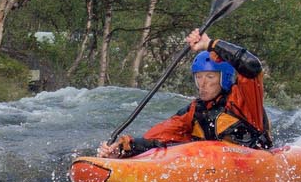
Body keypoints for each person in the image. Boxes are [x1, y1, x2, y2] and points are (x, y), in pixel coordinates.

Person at [97, 29, 272, 159]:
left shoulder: (244, 100)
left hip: (252, 159)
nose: (202, 84)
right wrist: (121, 149)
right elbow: (157, 139)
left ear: (224, 78)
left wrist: (211, 44)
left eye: (210, 77)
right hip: (212, 166)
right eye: (199, 77)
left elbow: (252, 66)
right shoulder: (195, 110)